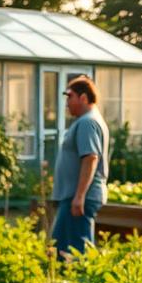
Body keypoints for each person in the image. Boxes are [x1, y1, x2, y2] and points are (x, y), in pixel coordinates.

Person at [51, 76, 110, 260]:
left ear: (83, 98)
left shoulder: (87, 122)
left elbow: (91, 158)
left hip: (78, 198)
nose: (67, 103)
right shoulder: (85, 121)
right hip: (72, 196)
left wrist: (79, 196)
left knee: (77, 252)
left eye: (70, 97)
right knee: (59, 248)